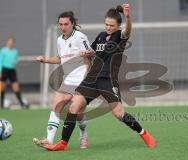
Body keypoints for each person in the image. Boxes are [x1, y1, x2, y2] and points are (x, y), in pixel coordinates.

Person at [45, 4, 156, 151]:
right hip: (92, 79)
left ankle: (144, 134)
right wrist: (87, 54)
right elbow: (92, 51)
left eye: (112, 25)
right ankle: (63, 143)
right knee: (74, 107)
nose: (108, 27)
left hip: (108, 80)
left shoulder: (120, 36)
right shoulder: (101, 36)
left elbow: (128, 29)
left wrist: (128, 17)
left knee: (118, 114)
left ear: (118, 25)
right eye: (106, 24)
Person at [33, 11, 93, 149]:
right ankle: (49, 140)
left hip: (81, 81)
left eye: (66, 24)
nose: (63, 27)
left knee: (78, 114)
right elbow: (60, 58)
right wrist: (45, 60)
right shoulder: (60, 40)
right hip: (67, 81)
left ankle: (84, 135)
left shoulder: (80, 37)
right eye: (60, 24)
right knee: (56, 107)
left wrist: (87, 54)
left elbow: (91, 54)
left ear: (72, 24)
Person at [0, 37, 29, 109]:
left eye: (11, 42)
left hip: (12, 71)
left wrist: (15, 61)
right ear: (7, 43)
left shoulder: (15, 51)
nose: (10, 43)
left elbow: (16, 60)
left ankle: (21, 104)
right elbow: (0, 61)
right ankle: (1, 104)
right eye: (9, 42)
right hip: (4, 70)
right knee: (2, 87)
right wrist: (0, 71)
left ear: (13, 43)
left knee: (16, 87)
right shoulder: (3, 50)